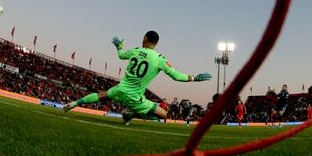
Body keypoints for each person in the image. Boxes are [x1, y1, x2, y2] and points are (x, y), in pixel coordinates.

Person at [63, 31, 211, 125]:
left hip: (120, 89)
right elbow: (177, 76)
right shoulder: (160, 59)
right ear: (156, 43)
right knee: (163, 114)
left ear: (145, 39)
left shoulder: (135, 50)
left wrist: (119, 46)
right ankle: (132, 113)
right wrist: (195, 78)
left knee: (101, 95)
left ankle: (73, 104)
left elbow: (121, 55)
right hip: (135, 98)